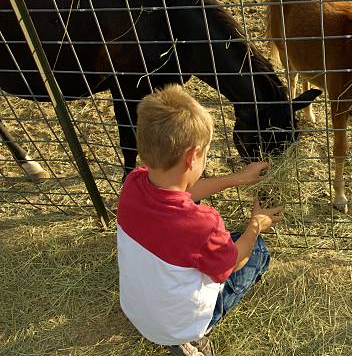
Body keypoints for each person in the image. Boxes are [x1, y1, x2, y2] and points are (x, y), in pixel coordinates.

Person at [116, 85, 283, 356]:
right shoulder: (203, 223)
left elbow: (185, 192)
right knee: (256, 250)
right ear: (192, 157)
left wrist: (237, 178)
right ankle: (194, 338)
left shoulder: (134, 183)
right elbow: (233, 264)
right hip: (180, 325)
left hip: (136, 312)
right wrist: (256, 225)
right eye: (205, 152)